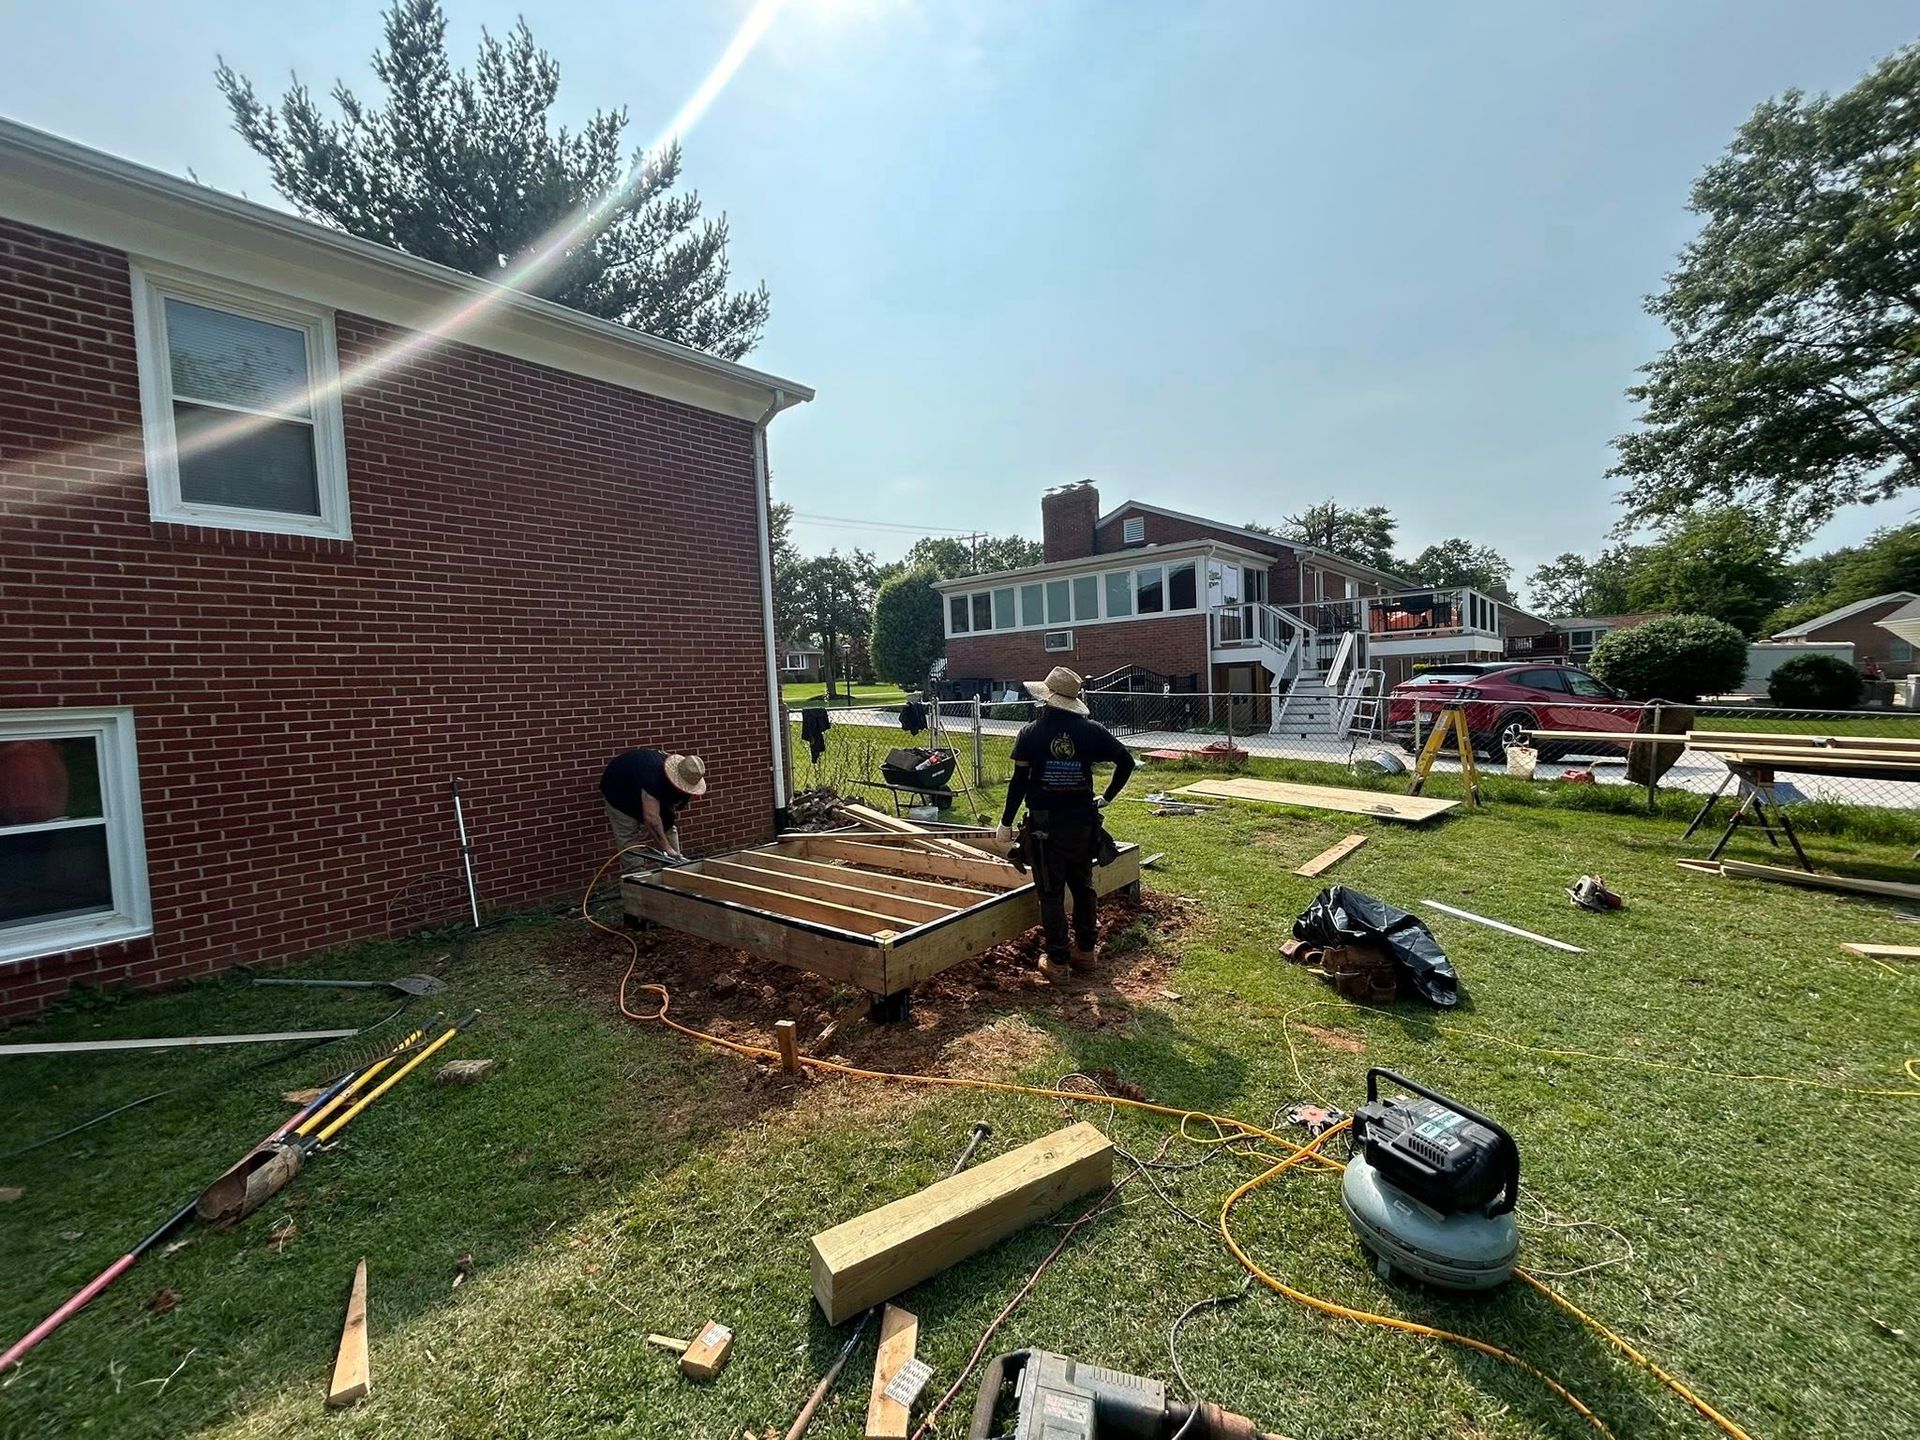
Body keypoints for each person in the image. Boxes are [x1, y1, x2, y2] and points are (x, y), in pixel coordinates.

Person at [996, 667, 1135, 980]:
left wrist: (1006, 822)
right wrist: (1108, 797)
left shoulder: (1031, 733)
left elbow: (1019, 782)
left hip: (1046, 828)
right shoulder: (1092, 730)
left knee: (1051, 894)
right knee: (1084, 886)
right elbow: (1126, 762)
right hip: (1082, 824)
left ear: (1047, 699)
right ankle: (1085, 952)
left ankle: (1058, 963)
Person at [599, 749, 707, 865]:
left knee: (667, 826)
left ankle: (675, 866)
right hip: (619, 790)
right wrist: (666, 847)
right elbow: (651, 817)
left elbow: (667, 817)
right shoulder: (654, 777)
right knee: (628, 836)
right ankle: (636, 876)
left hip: (644, 785)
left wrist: (672, 851)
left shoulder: (685, 773)